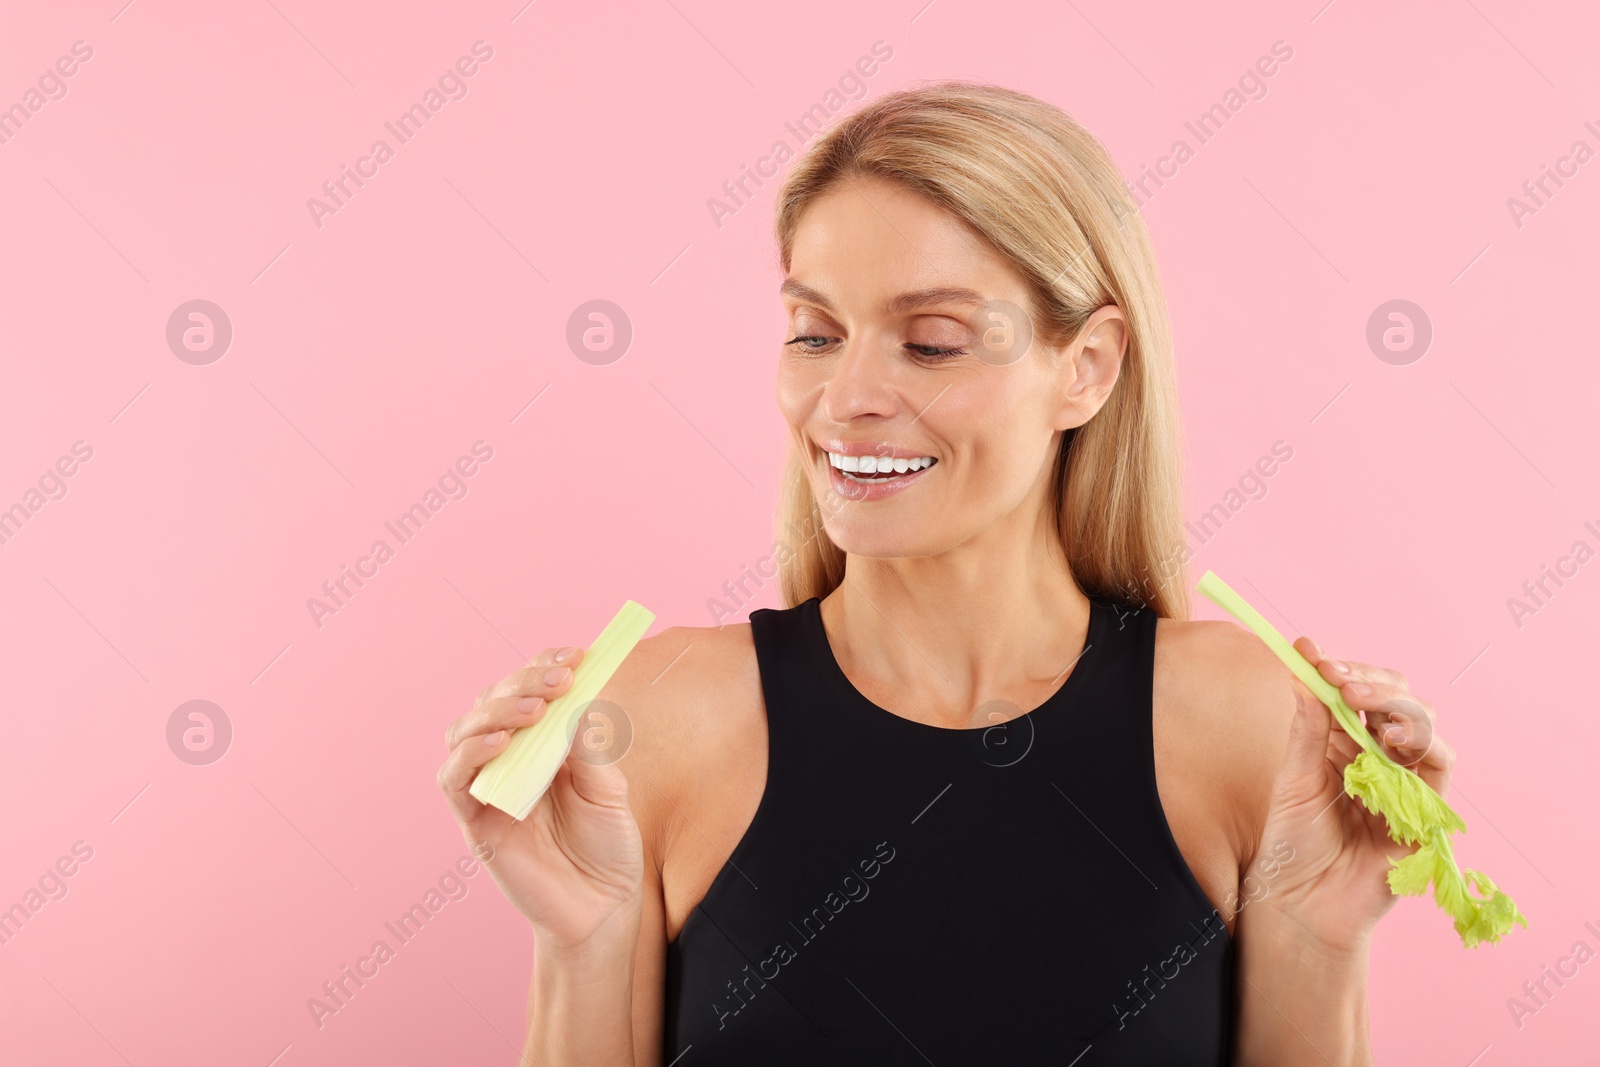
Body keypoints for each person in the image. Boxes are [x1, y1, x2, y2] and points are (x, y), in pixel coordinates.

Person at [438, 81, 1452, 1066]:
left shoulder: (1246, 718)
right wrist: (583, 939)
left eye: (930, 343)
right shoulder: (658, 718)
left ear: (1086, 368)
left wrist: (1322, 939)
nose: (846, 398)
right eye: (814, 333)